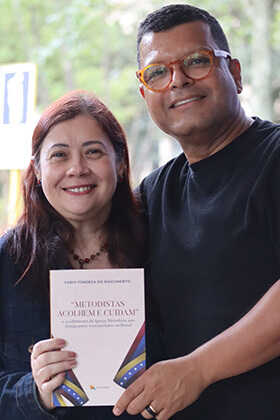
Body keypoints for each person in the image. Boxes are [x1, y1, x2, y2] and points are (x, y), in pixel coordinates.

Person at [113, 4, 280, 420]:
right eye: (157, 72)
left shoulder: (273, 158)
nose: (179, 80)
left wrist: (198, 369)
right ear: (145, 93)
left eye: (197, 61)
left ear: (236, 74)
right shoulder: (154, 194)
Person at [0, 89, 147, 419]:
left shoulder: (157, 246)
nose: (77, 169)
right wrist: (35, 391)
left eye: (93, 151)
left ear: (120, 163)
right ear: (38, 170)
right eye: (59, 155)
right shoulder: (7, 261)